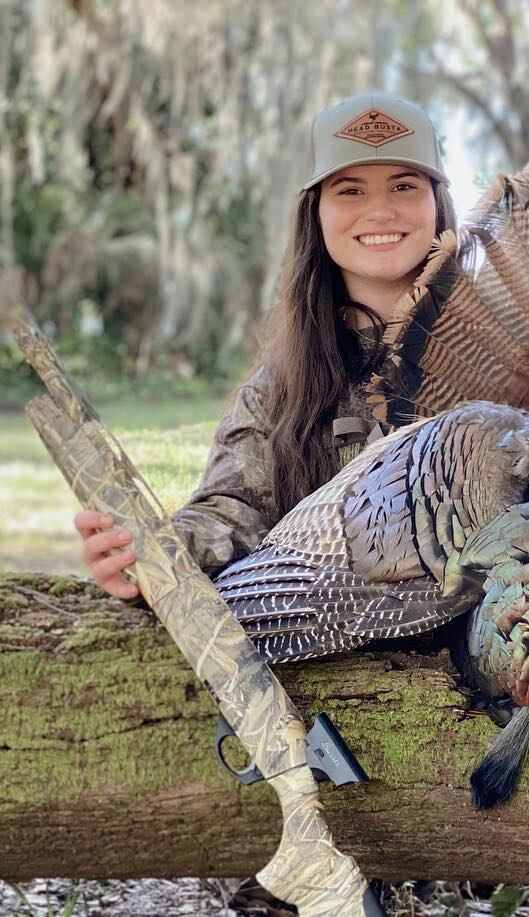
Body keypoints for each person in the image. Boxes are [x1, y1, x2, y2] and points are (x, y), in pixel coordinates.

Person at [75, 92, 457, 599]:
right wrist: (152, 551)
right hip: (345, 655)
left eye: (405, 185)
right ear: (316, 214)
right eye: (349, 190)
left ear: (437, 202)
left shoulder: (516, 350)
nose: (380, 210)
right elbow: (232, 512)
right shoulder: (281, 387)